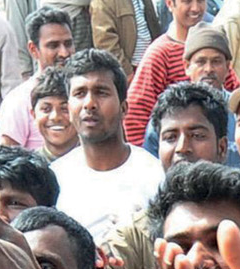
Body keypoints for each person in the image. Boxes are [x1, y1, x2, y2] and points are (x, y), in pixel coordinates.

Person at [54, 49, 165, 240]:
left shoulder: (155, 176)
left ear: (124, 108)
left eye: (101, 92)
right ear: (69, 107)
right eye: (79, 93)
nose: (89, 104)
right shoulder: (55, 178)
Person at [124, 0, 220, 143]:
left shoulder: (213, 47)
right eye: (187, 2)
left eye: (200, 1)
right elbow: (135, 115)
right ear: (169, 3)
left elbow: (234, 97)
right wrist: (150, 159)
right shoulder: (160, 54)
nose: (195, 8)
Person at [0, 5, 74, 149]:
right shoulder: (18, 101)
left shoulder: (83, 94)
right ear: (34, 50)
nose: (64, 53)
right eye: (53, 46)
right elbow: (8, 161)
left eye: (68, 44)